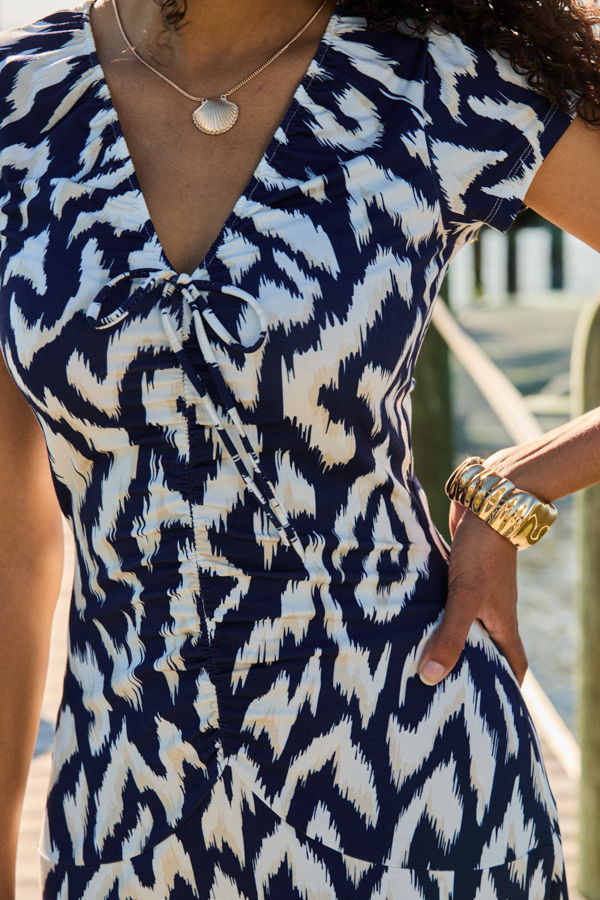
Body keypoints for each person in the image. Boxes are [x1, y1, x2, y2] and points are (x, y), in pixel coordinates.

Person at [1, 0, 600, 897]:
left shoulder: (434, 80)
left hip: (412, 791)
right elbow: (14, 544)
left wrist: (517, 485)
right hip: (126, 816)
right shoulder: (22, 104)